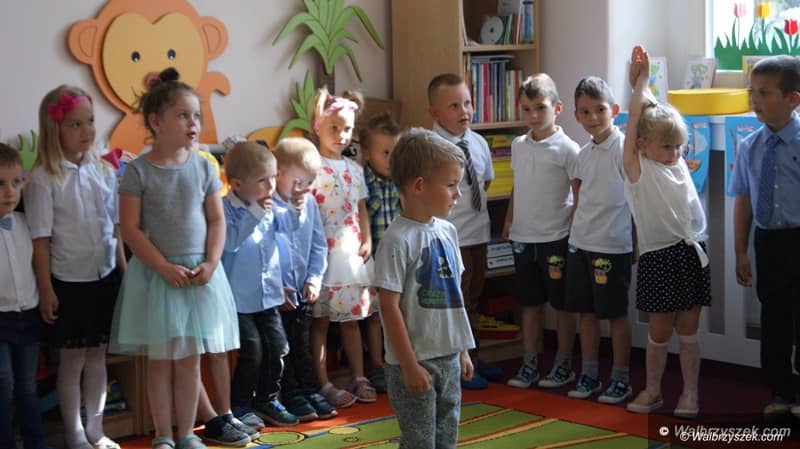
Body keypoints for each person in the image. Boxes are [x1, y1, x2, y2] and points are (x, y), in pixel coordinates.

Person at [109, 68, 239, 449]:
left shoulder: (204, 166)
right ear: (156, 122)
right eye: (183, 115)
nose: (193, 123)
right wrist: (162, 267)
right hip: (158, 276)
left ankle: (186, 433)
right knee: (160, 362)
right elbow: (130, 228)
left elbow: (216, 220)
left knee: (189, 361)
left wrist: (211, 262)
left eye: (196, 115)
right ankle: (163, 435)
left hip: (198, 275)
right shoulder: (138, 171)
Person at [25, 85, 125, 449]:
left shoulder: (104, 171)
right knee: (72, 361)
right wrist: (46, 288)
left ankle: (96, 428)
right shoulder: (43, 179)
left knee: (98, 357)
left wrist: (124, 271)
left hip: (103, 276)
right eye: (75, 124)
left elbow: (116, 228)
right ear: (55, 129)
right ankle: (74, 432)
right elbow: (39, 240)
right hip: (68, 281)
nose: (87, 131)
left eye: (90, 122)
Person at [623, 46, 710, 419]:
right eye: (667, 147)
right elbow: (637, 123)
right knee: (659, 331)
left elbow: (656, 117)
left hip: (691, 253)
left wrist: (644, 90)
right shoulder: (637, 168)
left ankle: (690, 393)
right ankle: (653, 390)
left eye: (679, 146)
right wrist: (639, 84)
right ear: (642, 145)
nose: (675, 152)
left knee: (689, 330)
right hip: (659, 256)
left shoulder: (677, 164)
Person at [375, 127, 475, 449]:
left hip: (448, 356)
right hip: (416, 360)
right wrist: (408, 365)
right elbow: (388, 306)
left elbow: (454, 296)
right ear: (419, 186)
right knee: (419, 440)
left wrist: (462, 349)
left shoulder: (448, 231)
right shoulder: (397, 240)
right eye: (450, 185)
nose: (458, 194)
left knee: (446, 437)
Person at [729, 55, 800, 418]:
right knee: (774, 318)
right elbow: (743, 200)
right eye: (752, 92)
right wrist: (740, 251)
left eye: (765, 93)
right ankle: (780, 390)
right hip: (769, 242)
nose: (755, 100)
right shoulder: (749, 146)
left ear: (792, 98)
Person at [500, 74, 580, 391]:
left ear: (557, 108)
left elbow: (579, 194)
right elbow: (518, 187)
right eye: (526, 109)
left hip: (556, 238)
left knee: (561, 305)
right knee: (529, 304)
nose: (533, 116)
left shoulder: (568, 149)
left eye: (540, 108)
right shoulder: (518, 145)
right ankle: (529, 363)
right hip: (523, 237)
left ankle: (563, 365)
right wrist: (509, 220)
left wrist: (576, 232)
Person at [563, 76, 633, 403]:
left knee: (615, 314)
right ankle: (589, 374)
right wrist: (573, 236)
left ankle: (621, 378)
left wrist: (635, 240)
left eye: (600, 110)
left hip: (612, 245)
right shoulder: (583, 154)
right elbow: (579, 199)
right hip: (581, 244)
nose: (593, 117)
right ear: (576, 116)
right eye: (585, 111)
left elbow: (634, 198)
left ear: (614, 110)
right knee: (586, 313)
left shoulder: (623, 149)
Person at [428, 73, 501, 389]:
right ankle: (458, 365)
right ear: (434, 113)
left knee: (474, 299)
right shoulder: (431, 148)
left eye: (468, 103)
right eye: (454, 106)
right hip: (450, 239)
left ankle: (473, 357)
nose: (464, 111)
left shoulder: (479, 142)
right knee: (455, 304)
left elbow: (486, 183)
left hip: (478, 235)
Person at [221, 140, 299, 428]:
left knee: (279, 346)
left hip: (268, 295)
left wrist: (294, 206)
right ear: (237, 184)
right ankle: (240, 405)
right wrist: (255, 213)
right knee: (251, 350)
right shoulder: (225, 208)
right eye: (262, 180)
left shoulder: (270, 203)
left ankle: (267, 399)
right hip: (238, 299)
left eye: (273, 178)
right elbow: (230, 242)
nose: (271, 186)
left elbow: (290, 226)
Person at [308, 87, 377, 407]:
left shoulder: (355, 169)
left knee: (351, 321)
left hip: (350, 256)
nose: (341, 135)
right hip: (322, 257)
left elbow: (362, 208)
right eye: (334, 128)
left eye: (347, 129)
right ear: (317, 126)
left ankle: (359, 376)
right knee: (320, 322)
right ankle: (322, 381)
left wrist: (367, 238)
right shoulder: (312, 167)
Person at [272, 137, 337, 421]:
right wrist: (276, 287)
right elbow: (264, 252)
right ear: (277, 174)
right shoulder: (268, 206)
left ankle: (310, 390)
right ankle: (290, 393)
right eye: (297, 182)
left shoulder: (309, 203)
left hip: (303, 291)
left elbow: (319, 245)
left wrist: (314, 279)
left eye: (309, 182)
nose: (304, 188)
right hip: (277, 295)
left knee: (302, 344)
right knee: (281, 347)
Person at [0, 144, 53, 449]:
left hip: (28, 315)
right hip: (1, 318)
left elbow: (38, 264)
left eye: (16, 182)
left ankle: (36, 442)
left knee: (28, 384)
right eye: (0, 184)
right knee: (3, 383)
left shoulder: (25, 224)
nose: (10, 191)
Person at [360, 112, 402, 393]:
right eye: (385, 153)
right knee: (376, 314)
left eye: (395, 153)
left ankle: (398, 360)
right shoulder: (362, 181)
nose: (391, 159)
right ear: (367, 154)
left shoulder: (401, 181)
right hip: (374, 259)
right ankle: (377, 364)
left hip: (398, 258)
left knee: (400, 311)